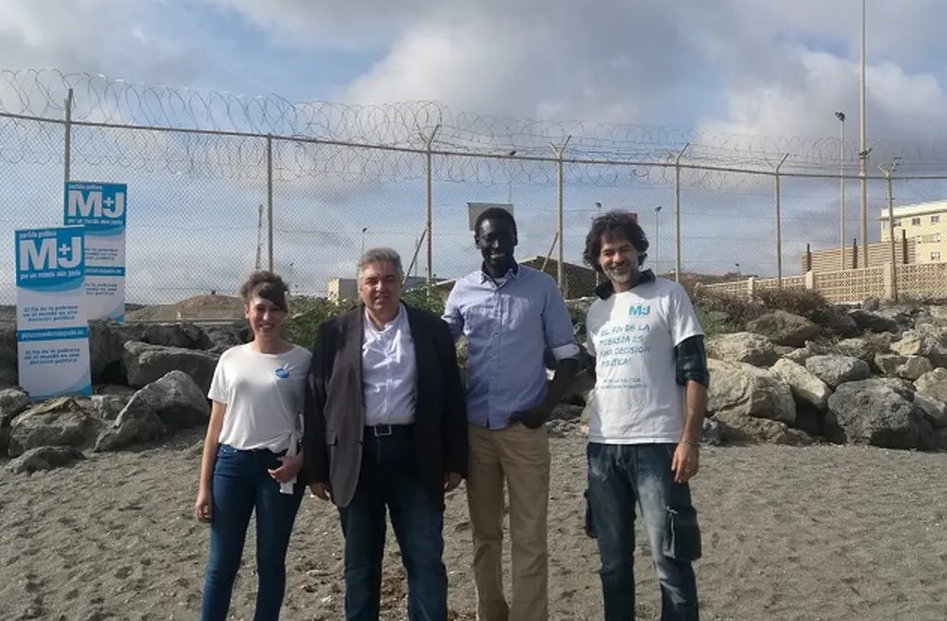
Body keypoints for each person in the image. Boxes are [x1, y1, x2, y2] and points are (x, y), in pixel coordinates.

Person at [302, 247, 467, 621]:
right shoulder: (333, 333)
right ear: (360, 287)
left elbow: (452, 396)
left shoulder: (432, 330)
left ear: (401, 283)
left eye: (389, 279)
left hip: (416, 456)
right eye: (372, 281)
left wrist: (457, 460)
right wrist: (315, 468)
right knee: (360, 565)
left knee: (426, 559)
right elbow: (315, 401)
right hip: (355, 459)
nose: (381, 288)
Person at [442, 207, 581, 621]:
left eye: (505, 236)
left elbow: (568, 356)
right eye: (489, 238)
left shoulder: (542, 288)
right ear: (477, 242)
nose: (498, 244)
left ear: (517, 238)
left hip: (525, 430)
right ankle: (491, 613)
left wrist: (545, 409)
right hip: (477, 432)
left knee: (529, 537)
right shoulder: (462, 290)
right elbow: (438, 344)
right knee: (484, 535)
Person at [581, 209, 709, 621]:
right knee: (613, 566)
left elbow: (695, 371)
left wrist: (689, 440)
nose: (616, 258)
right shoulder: (596, 312)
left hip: (659, 446)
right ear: (597, 259)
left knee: (671, 562)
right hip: (603, 450)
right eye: (607, 252)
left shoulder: (670, 295)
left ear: (639, 251)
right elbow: (593, 375)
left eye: (624, 249)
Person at [196, 270, 312, 621]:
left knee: (270, 563)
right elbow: (214, 427)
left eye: (275, 309)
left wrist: (301, 460)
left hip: (279, 470)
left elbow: (319, 424)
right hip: (231, 467)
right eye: (260, 308)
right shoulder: (230, 359)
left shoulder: (302, 361)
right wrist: (203, 487)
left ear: (285, 312)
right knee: (221, 565)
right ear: (247, 310)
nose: (267, 317)